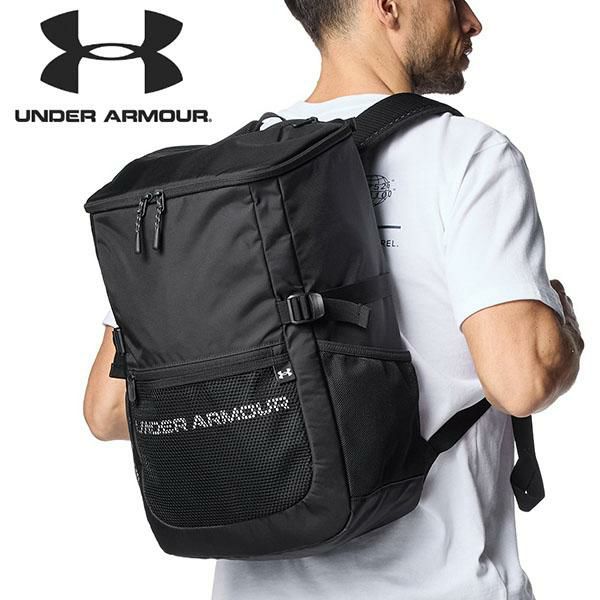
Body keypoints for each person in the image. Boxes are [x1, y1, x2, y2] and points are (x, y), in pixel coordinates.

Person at [84, 1, 585, 598]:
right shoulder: (468, 155)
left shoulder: (217, 187)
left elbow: (108, 412)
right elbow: (522, 381)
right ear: (389, 6)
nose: (472, 19)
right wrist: (564, 328)